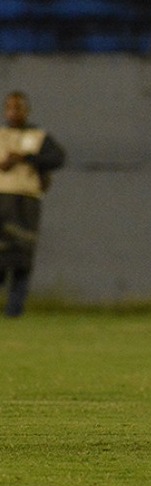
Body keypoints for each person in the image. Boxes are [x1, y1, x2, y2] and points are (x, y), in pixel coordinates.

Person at [0, 91, 65, 318]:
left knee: (21, 259)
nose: (13, 112)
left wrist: (26, 159)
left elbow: (57, 158)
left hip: (25, 202)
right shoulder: (1, 135)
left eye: (18, 108)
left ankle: (14, 313)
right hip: (2, 199)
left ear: (27, 111)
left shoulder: (37, 137)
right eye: (9, 108)